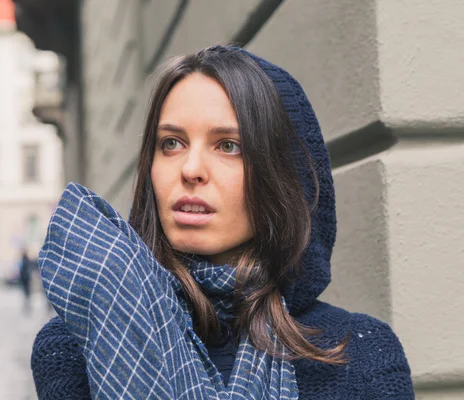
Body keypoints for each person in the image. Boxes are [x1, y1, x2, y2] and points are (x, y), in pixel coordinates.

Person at [30, 46, 414, 399]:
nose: (191, 169)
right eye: (172, 143)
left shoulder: (358, 357)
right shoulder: (77, 345)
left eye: (228, 146)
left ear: (283, 176)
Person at [19, 248, 32, 312]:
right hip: (26, 278)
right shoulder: (27, 260)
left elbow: (21, 270)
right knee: (27, 291)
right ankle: (27, 302)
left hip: (25, 278)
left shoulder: (23, 261)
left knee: (26, 291)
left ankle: (27, 302)